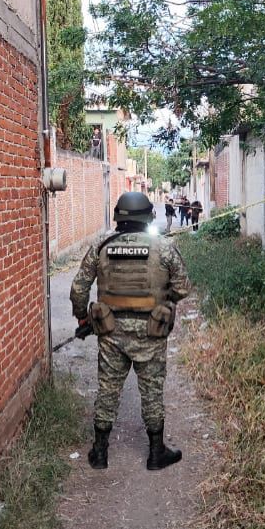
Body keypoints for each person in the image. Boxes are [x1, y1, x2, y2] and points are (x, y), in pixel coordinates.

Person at [70, 192, 192, 470]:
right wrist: (164, 301)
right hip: (151, 332)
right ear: (148, 216)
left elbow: (79, 289)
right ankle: (156, 453)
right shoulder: (162, 247)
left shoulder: (101, 245)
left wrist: (82, 319)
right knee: (151, 390)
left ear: (118, 217)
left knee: (107, 390)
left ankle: (100, 454)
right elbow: (184, 287)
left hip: (110, 333)